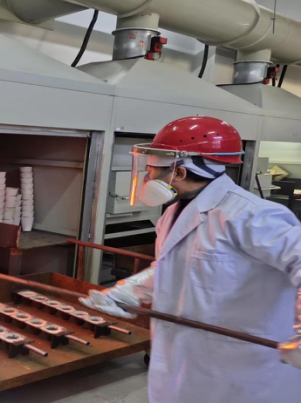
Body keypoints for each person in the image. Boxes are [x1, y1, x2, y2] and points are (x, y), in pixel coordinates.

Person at [81, 116, 301, 403]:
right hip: (188, 356)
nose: (147, 176)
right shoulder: (174, 213)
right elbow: (173, 268)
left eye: (152, 169)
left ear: (179, 172)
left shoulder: (251, 215)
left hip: (243, 367)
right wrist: (129, 291)